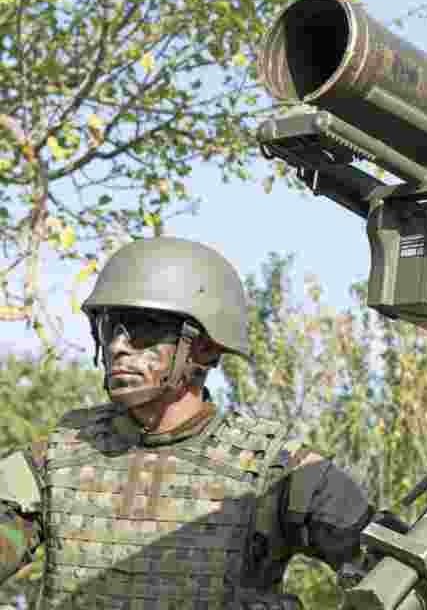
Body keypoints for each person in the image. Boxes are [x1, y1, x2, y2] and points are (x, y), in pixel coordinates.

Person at [0, 237, 382, 610]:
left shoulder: (281, 473)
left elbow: (399, 573)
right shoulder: (58, 457)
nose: (118, 345)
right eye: (110, 327)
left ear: (205, 347)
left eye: (142, 327)